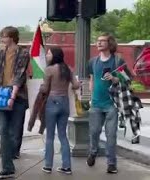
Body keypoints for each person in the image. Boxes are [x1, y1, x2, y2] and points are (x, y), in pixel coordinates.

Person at [0, 26, 30, 179]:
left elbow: (19, 75)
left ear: (12, 37)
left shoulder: (23, 52)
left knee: (13, 132)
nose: (2, 39)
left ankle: (10, 159)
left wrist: (12, 97)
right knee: (3, 131)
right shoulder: (1, 52)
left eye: (4, 36)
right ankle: (7, 167)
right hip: (1, 95)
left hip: (17, 95)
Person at [87, 33, 127, 174]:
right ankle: (93, 152)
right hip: (96, 104)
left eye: (102, 41)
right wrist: (90, 98)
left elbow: (127, 79)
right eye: (97, 41)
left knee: (111, 135)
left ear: (109, 44)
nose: (98, 43)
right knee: (94, 131)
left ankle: (111, 164)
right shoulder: (92, 62)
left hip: (112, 104)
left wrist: (115, 79)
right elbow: (91, 80)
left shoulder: (118, 60)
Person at [40, 47, 80, 175]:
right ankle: (66, 166)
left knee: (50, 135)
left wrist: (40, 87)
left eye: (49, 53)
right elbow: (76, 85)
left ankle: (48, 165)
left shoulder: (49, 69)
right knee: (63, 135)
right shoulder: (68, 69)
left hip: (52, 101)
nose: (47, 55)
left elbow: (45, 89)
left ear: (54, 55)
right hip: (65, 102)